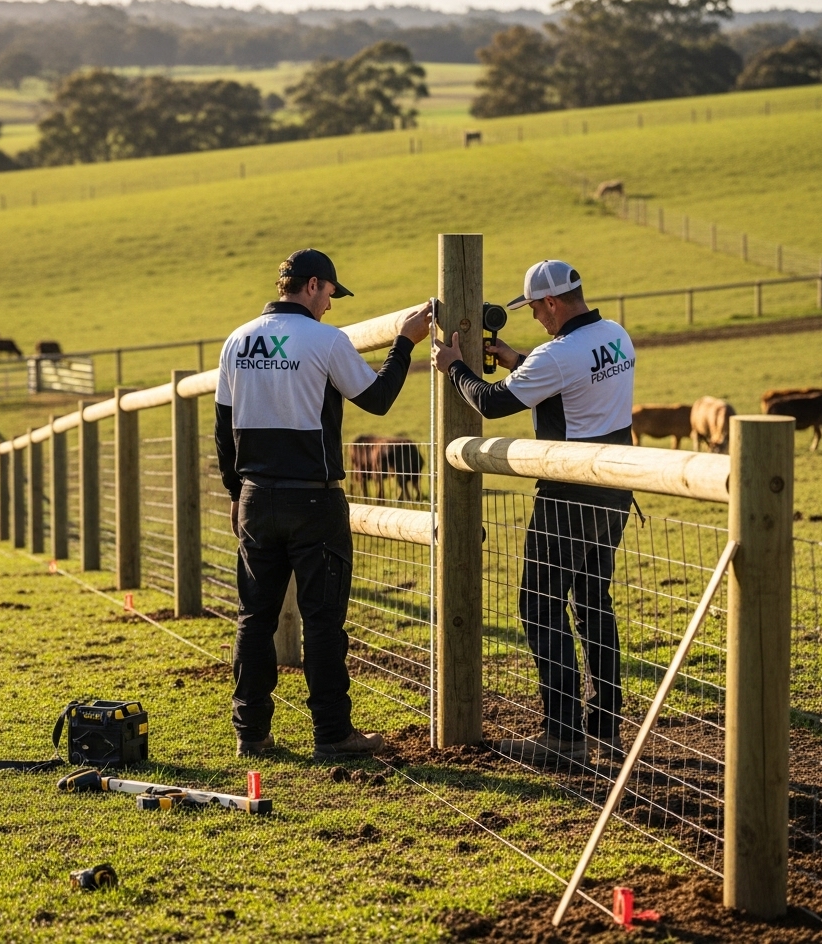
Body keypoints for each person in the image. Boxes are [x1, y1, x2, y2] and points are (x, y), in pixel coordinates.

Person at [215, 248, 431, 759]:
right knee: (322, 621)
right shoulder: (325, 340)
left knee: (254, 618)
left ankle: (251, 733)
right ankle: (333, 734)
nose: (332, 305)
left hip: (254, 498)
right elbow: (376, 400)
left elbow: (224, 432)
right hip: (313, 498)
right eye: (331, 293)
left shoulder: (237, 340)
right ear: (313, 285)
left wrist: (235, 494)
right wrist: (404, 342)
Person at [432, 260, 635, 765]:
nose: (535, 321)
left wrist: (453, 365)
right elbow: (574, 378)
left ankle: (562, 736)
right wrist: (517, 357)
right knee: (593, 600)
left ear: (550, 303)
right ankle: (604, 722)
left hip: (568, 491)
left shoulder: (557, 353)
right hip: (615, 487)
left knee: (540, 605)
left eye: (535, 311)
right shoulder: (616, 335)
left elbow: (494, 404)